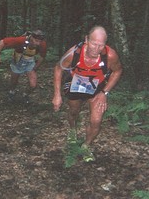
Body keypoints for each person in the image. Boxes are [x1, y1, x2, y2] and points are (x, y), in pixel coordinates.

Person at [52, 26, 123, 162]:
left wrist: (105, 92)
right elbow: (58, 68)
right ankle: (73, 130)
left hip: (97, 87)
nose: (96, 49)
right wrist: (57, 94)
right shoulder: (74, 53)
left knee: (96, 120)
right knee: (74, 111)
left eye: (101, 45)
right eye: (94, 44)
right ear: (86, 40)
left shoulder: (110, 55)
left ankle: (86, 145)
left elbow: (118, 71)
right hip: (75, 83)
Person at [0, 29, 47, 103]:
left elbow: (42, 56)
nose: (38, 43)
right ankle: (12, 92)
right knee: (14, 81)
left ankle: (25, 94)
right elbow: (2, 42)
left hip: (29, 62)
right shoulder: (20, 41)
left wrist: (35, 68)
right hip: (17, 62)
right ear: (31, 38)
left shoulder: (42, 44)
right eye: (36, 41)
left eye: (40, 41)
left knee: (33, 85)